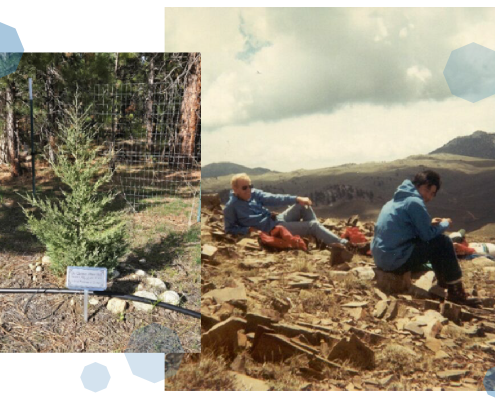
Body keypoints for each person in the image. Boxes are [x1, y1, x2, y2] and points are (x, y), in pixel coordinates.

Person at [371, 170, 481, 307]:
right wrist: (444, 223)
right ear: (421, 185)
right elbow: (427, 235)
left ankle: (443, 285)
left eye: (433, 194)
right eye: (428, 190)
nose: (429, 197)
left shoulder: (394, 201)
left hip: (382, 259)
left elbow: (404, 228)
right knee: (442, 241)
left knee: (433, 241)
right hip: (394, 261)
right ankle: (456, 292)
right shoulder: (414, 201)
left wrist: (429, 224)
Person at [224, 173, 348, 248]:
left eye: (250, 186)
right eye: (244, 188)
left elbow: (274, 198)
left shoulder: (254, 194)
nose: (249, 190)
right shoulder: (231, 207)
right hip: (273, 229)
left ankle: (319, 238)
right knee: (313, 225)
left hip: (277, 219)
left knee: (302, 205)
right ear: (235, 190)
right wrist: (247, 229)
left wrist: (297, 198)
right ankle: (343, 244)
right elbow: (229, 229)